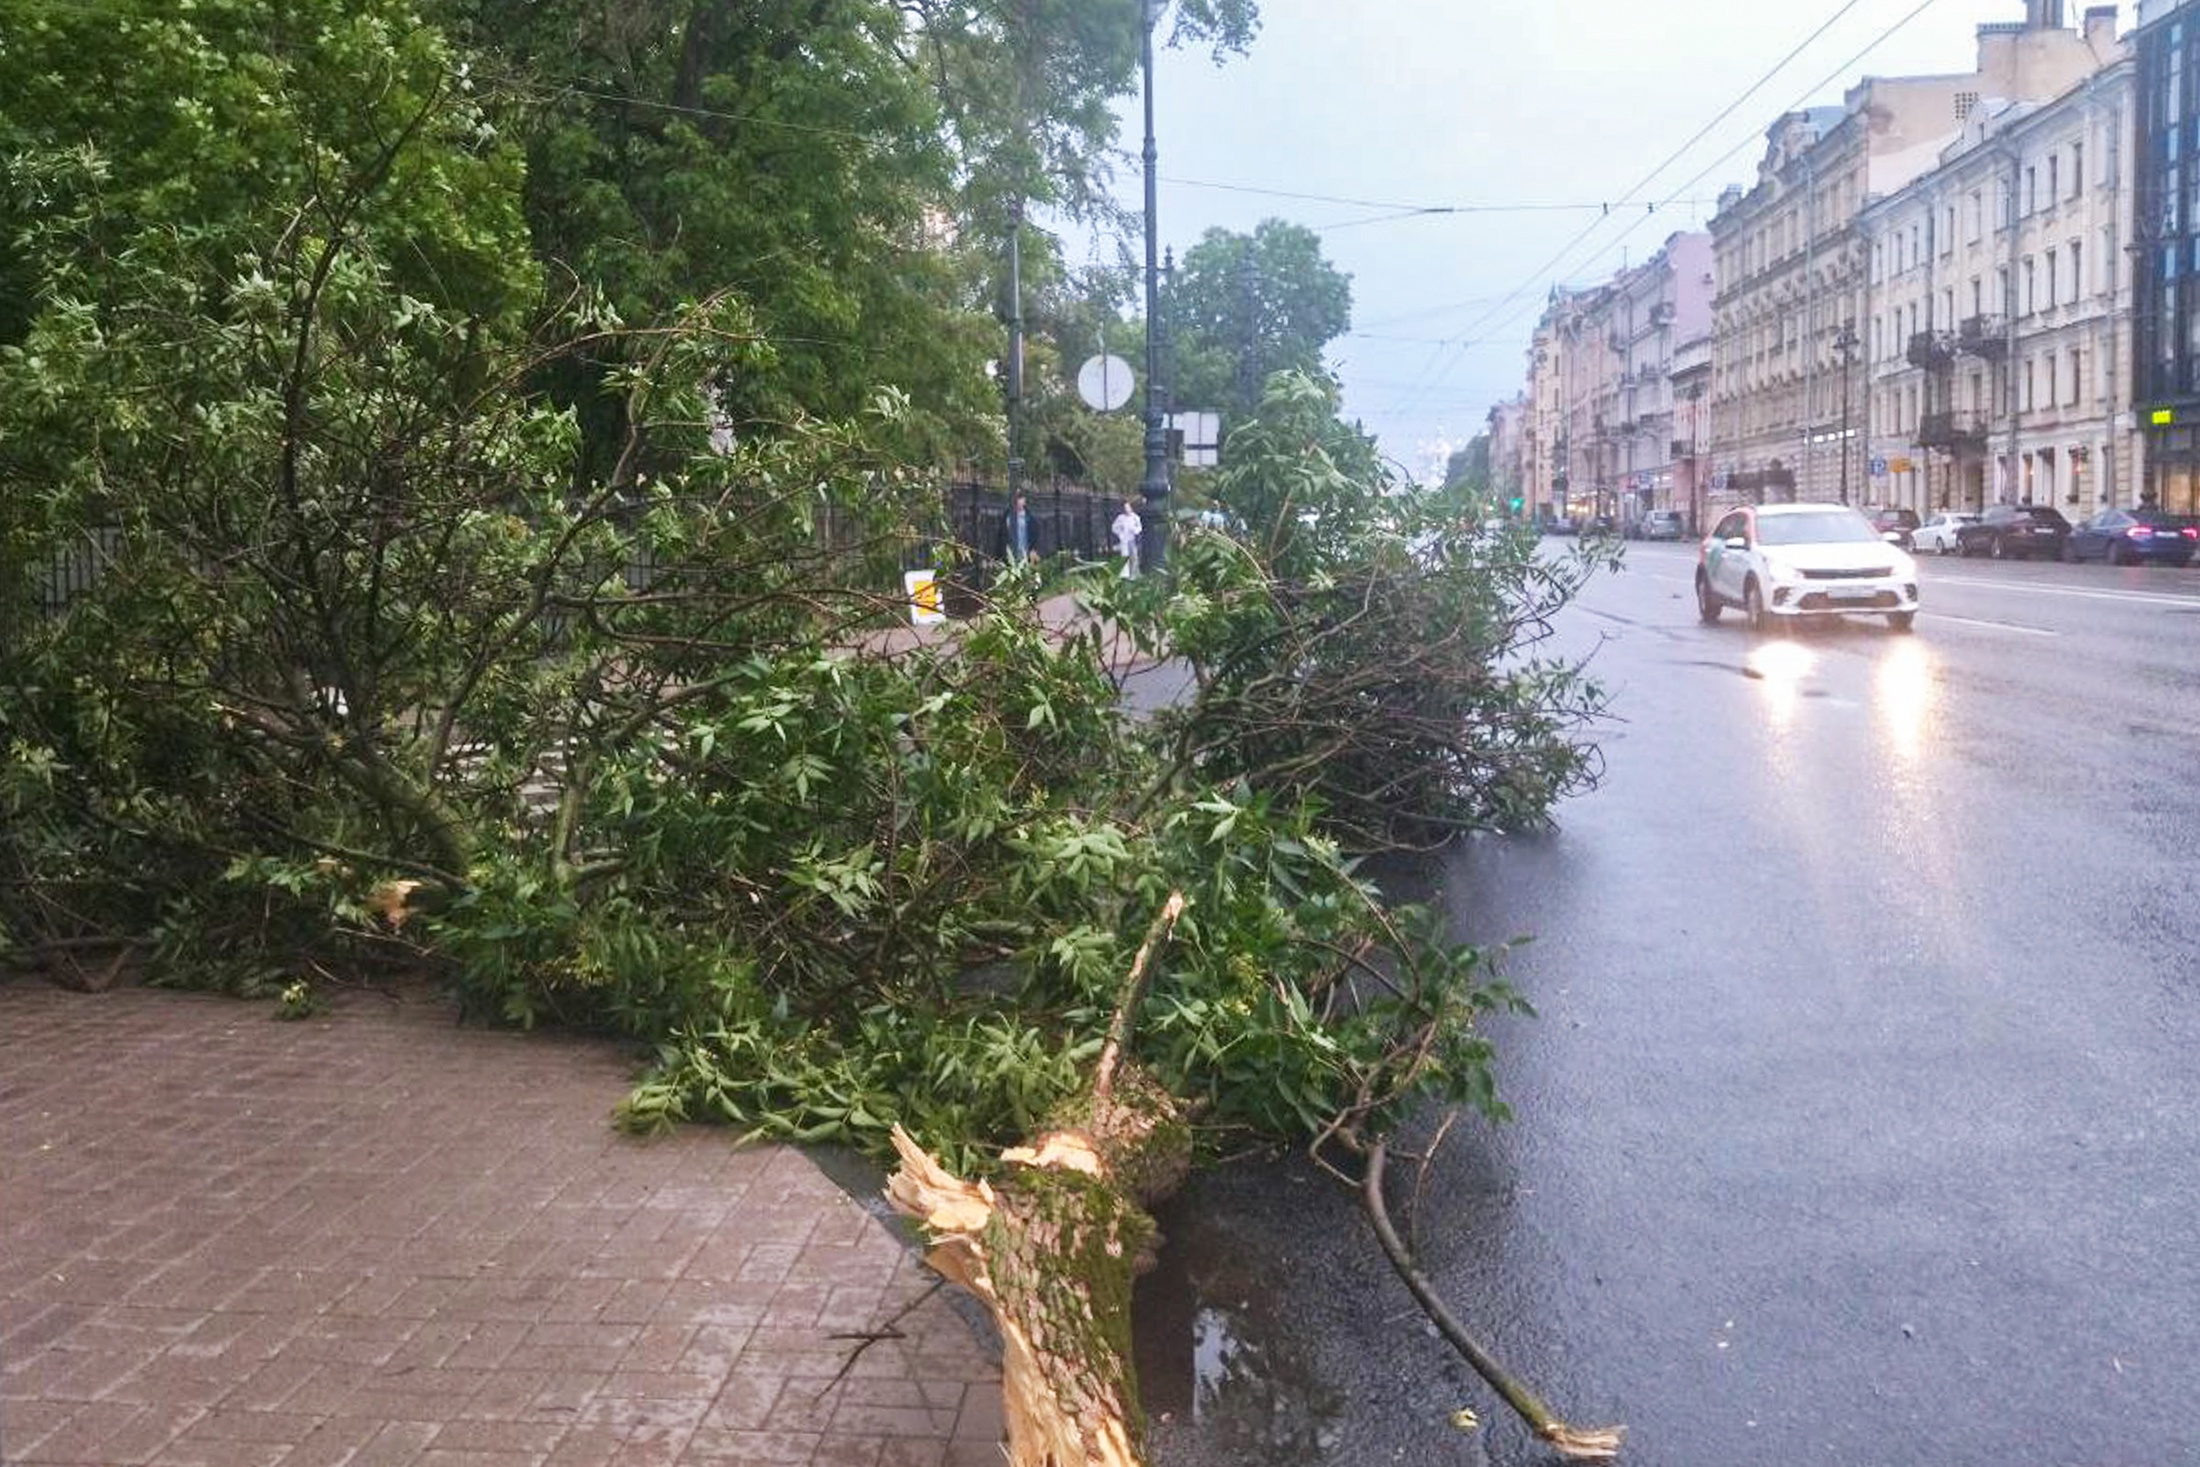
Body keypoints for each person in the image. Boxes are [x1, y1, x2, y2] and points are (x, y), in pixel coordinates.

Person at [1000, 493, 1036, 564]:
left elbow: (1034, 537)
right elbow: (1002, 537)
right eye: (1015, 498)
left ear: (1024, 500)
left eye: (1020, 498)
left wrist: (1033, 550)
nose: (1017, 501)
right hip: (1009, 556)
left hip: (1025, 555)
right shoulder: (1007, 516)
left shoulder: (1030, 518)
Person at [1111, 499, 1143, 579]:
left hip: (1132, 540)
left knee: (1134, 557)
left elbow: (1139, 528)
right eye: (1125, 508)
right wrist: (1120, 533)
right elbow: (1114, 527)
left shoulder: (1135, 517)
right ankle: (1125, 574)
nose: (1126, 509)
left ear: (1131, 508)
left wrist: (1135, 530)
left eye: (1128, 507)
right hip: (1124, 540)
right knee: (1125, 557)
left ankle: (1133, 574)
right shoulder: (1120, 518)